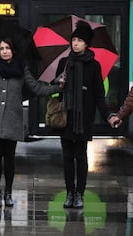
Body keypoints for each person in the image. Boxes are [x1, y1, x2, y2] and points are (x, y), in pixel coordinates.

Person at [0, 37, 61, 208]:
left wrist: (57, 87)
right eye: (1, 48)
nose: (4, 51)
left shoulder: (21, 69)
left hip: (12, 120)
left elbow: (37, 88)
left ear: (14, 51)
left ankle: (8, 193)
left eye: (8, 48)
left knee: (9, 159)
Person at [54, 21, 113, 209]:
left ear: (87, 43)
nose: (76, 43)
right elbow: (54, 91)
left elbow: (98, 96)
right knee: (66, 157)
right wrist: (59, 84)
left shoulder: (94, 66)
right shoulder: (64, 63)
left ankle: (80, 194)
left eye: (79, 40)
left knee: (81, 157)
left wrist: (108, 116)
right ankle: (69, 193)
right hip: (66, 117)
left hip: (83, 119)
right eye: (74, 40)